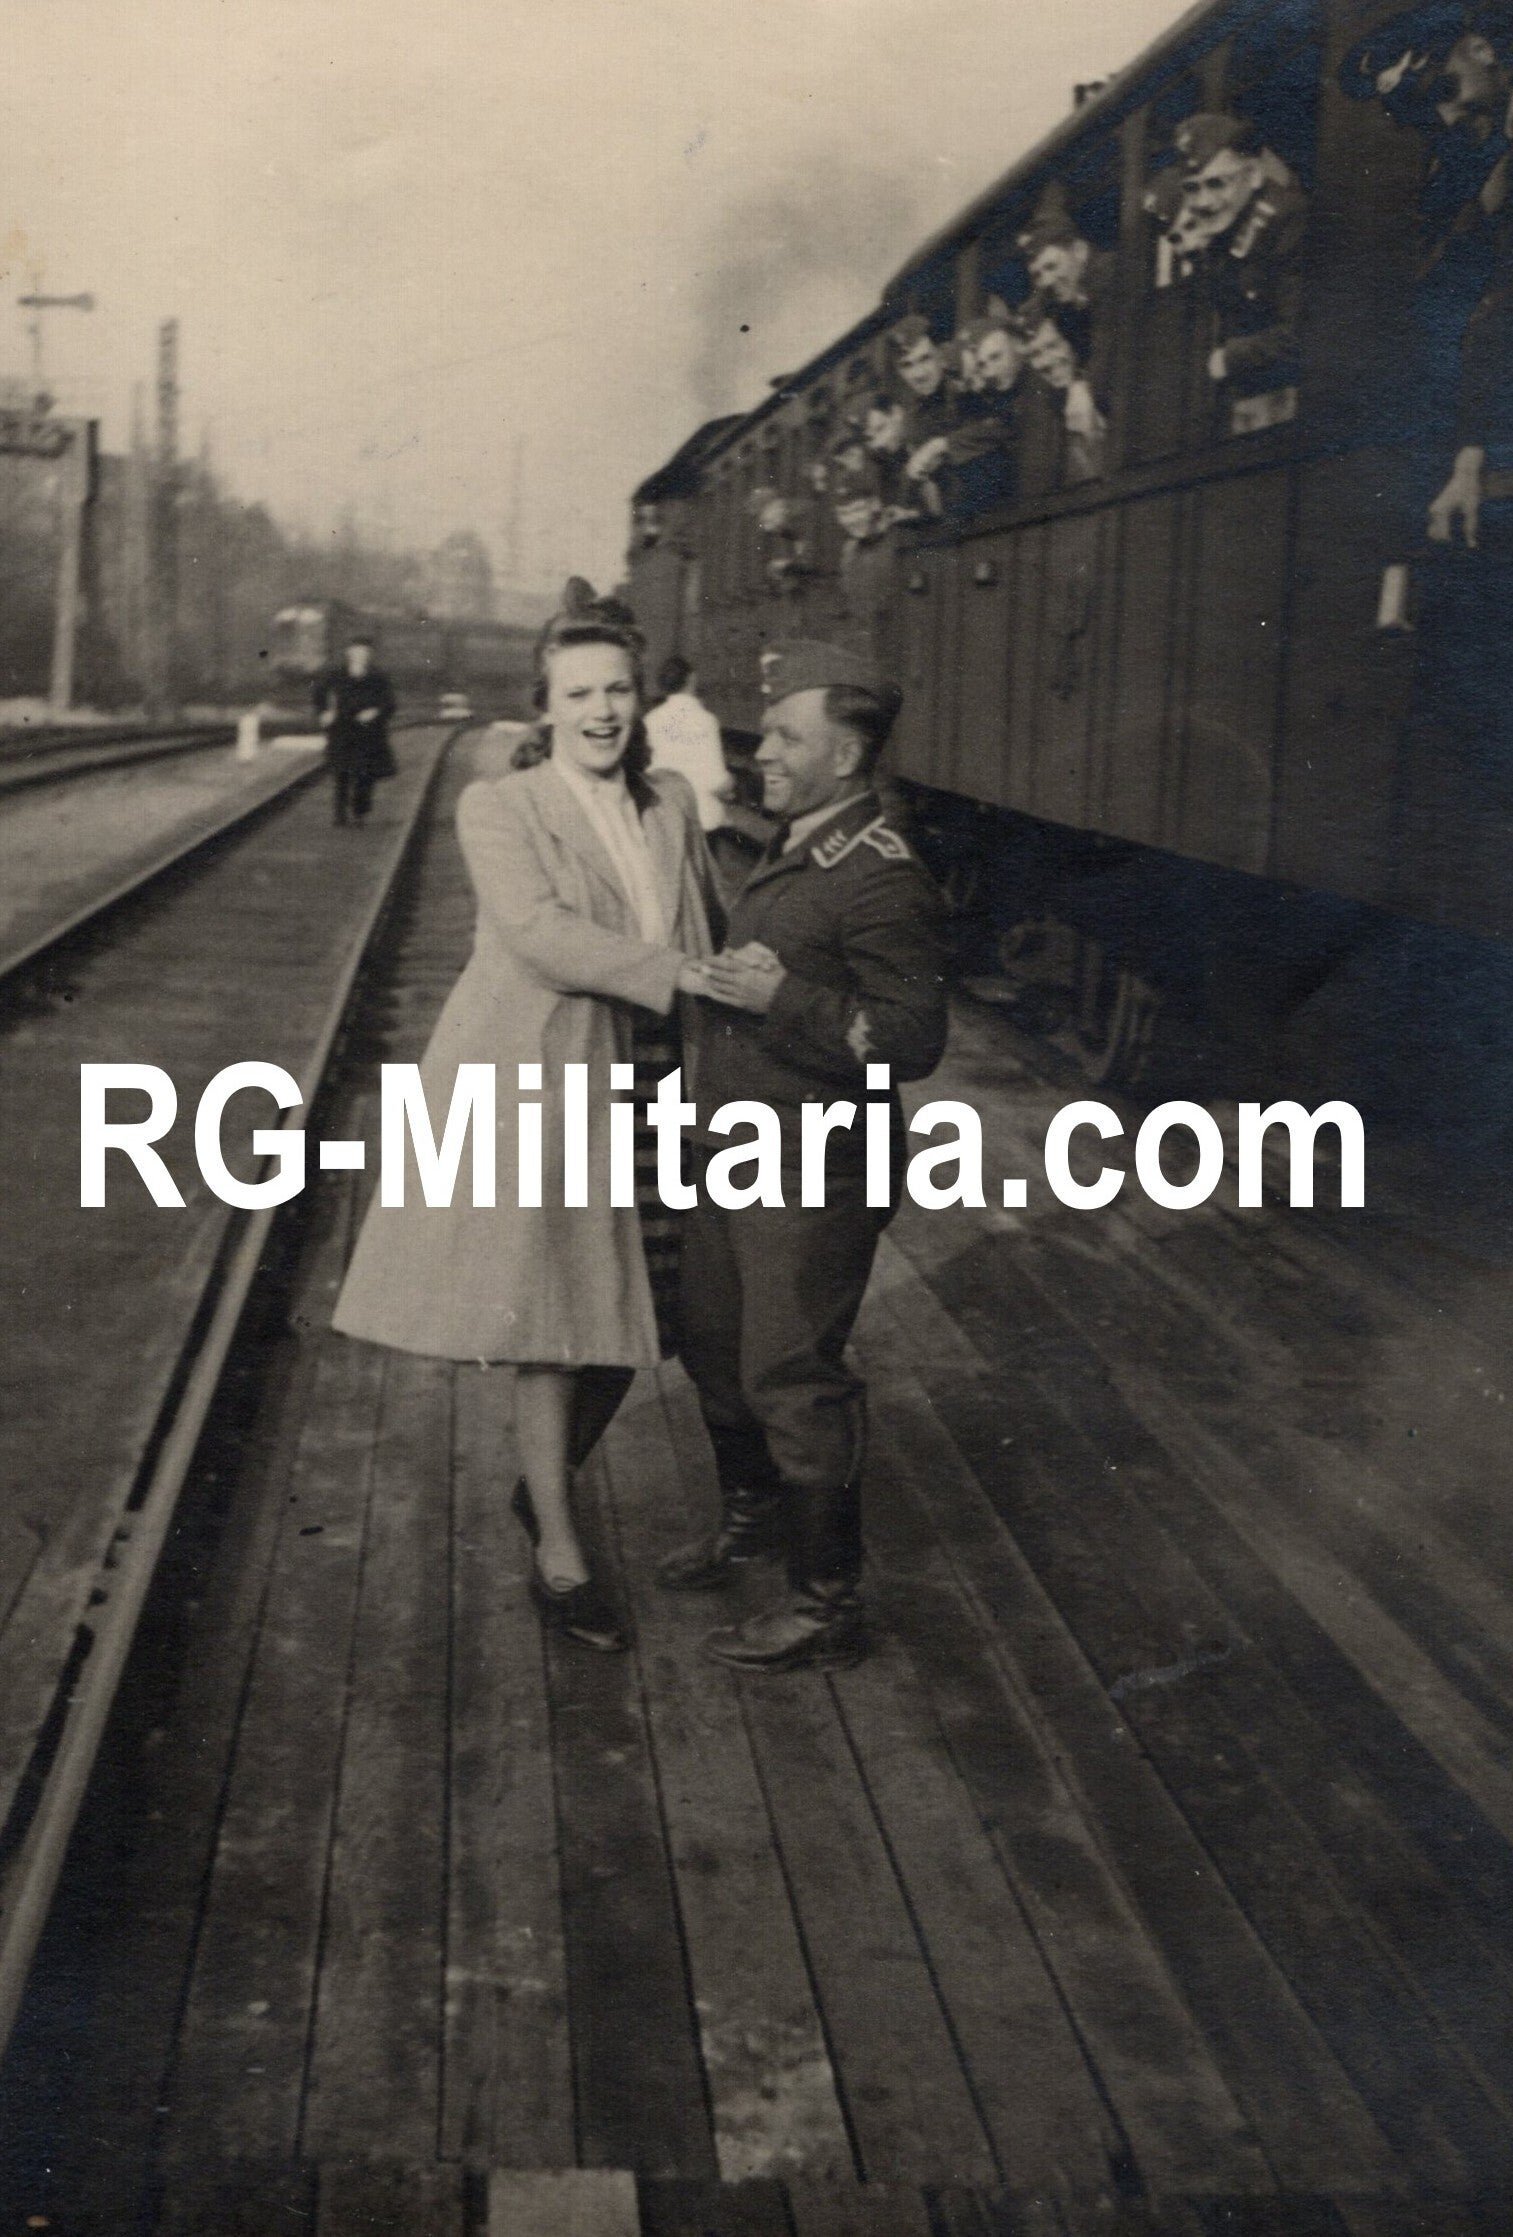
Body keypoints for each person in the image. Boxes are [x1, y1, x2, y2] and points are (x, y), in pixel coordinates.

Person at [331, 616, 718, 1651]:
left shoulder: (671, 801)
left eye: (617, 691)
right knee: (555, 1317)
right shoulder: (500, 805)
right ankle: (559, 1548)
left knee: (647, 1304)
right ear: (544, 705)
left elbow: (705, 924)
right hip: (538, 1072)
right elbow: (539, 934)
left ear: (639, 701)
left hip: (651, 1073)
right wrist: (677, 974)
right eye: (580, 692)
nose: (601, 711)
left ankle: (539, 1492)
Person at [661, 638, 950, 1673]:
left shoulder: (877, 875)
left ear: (849, 747)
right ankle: (755, 1517)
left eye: (787, 734)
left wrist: (780, 999)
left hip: (816, 1164)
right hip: (736, 1148)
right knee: (710, 1339)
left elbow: (912, 1038)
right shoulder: (798, 847)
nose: (763, 748)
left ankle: (825, 1601)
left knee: (790, 1372)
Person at [1173, 113, 1307, 403]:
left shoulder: (1285, 220)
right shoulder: (1224, 232)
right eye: (1193, 188)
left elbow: (1302, 335)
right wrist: (1197, 259)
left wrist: (1228, 359)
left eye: (1217, 184)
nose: (1204, 203)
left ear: (1255, 174)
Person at [315, 634, 397, 827]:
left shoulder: (379, 677)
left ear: (370, 655)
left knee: (365, 775)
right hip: (342, 730)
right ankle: (340, 814)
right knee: (341, 773)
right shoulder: (336, 675)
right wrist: (324, 712)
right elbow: (319, 693)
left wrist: (375, 711)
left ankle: (360, 812)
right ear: (349, 653)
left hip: (369, 732)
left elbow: (390, 704)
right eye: (356, 652)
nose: (360, 656)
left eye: (364, 653)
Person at [646, 655, 732, 833]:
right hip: (701, 821)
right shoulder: (706, 720)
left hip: (663, 818)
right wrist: (731, 784)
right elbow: (715, 781)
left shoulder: (651, 720)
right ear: (692, 679)